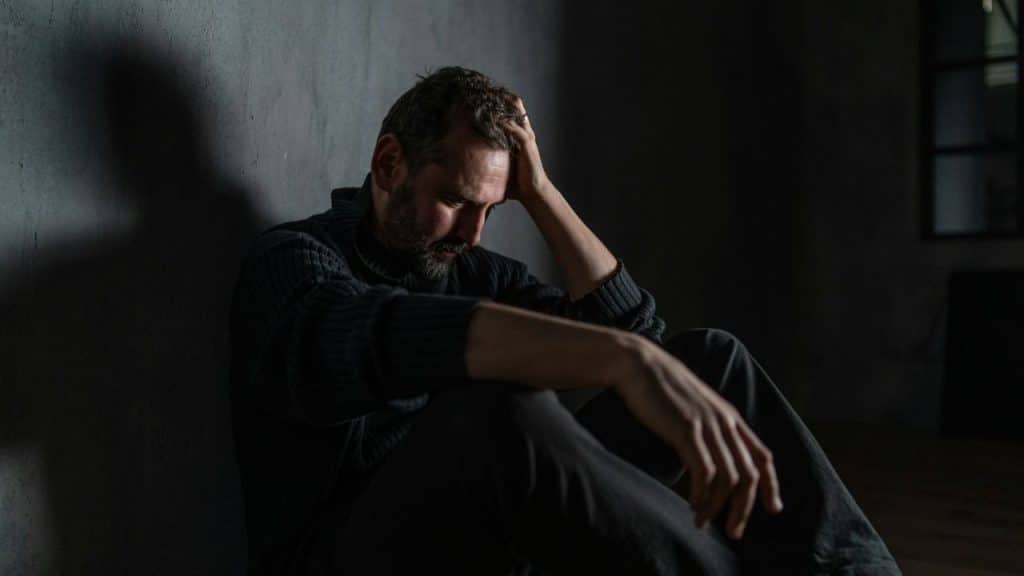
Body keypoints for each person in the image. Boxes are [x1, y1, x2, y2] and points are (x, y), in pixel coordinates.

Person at [229, 66, 900, 575]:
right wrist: (622, 360)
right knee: (498, 414)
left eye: (493, 208)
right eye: (457, 201)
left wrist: (542, 194)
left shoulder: (471, 268)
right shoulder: (294, 260)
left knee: (710, 360)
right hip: (352, 555)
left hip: (495, 538)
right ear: (388, 163)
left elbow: (641, 339)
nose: (473, 232)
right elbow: (377, 336)